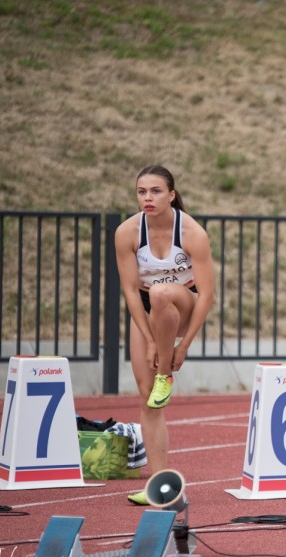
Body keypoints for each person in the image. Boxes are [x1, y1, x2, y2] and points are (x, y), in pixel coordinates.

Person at [115, 165, 215, 505]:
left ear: (171, 194)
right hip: (146, 312)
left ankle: (165, 374)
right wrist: (151, 342)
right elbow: (130, 292)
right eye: (142, 192)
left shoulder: (192, 233)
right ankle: (158, 486)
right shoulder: (127, 232)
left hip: (183, 304)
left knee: (160, 293)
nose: (148, 198)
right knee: (146, 398)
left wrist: (182, 346)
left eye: (155, 191)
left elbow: (208, 296)